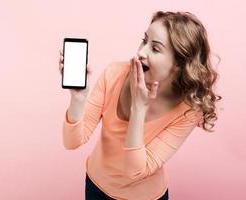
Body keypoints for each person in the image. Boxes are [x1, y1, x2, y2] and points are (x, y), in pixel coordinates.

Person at [59, 11, 221, 200]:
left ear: (179, 63)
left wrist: (138, 109)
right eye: (144, 41)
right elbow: (72, 142)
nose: (141, 52)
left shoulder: (189, 111)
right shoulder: (114, 74)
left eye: (155, 48)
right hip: (96, 187)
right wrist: (78, 99)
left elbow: (133, 173)